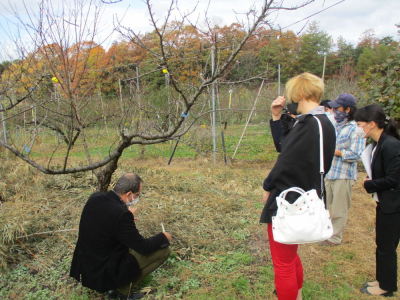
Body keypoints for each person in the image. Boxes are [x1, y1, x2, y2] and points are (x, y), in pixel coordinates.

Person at [260, 72, 336, 300]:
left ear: (300, 93)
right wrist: (276, 117)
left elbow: (285, 161)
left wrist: (267, 185)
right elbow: (285, 146)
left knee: (282, 261)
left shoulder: (308, 124)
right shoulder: (324, 123)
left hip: (288, 199)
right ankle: (298, 293)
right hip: (307, 194)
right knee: (290, 254)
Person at [70, 173, 172, 300]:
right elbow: (143, 247)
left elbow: (107, 219)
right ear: (129, 194)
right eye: (137, 195)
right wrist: (163, 237)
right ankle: (122, 292)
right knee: (164, 251)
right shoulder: (122, 214)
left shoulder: (95, 197)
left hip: (85, 268)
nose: (137, 198)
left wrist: (125, 212)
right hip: (103, 273)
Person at [354, 104, 400, 297]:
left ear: (371, 124)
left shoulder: (391, 145)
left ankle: (387, 287)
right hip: (385, 203)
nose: (358, 128)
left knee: (387, 247)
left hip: (394, 205)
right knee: (382, 244)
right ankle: (383, 279)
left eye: (360, 124)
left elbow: (395, 179)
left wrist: (370, 184)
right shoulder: (378, 144)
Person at [323, 94, 365, 245]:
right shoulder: (334, 124)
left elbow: (357, 154)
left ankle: (334, 238)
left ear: (348, 109)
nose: (334, 110)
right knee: (326, 206)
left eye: (337, 108)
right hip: (329, 172)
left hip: (343, 174)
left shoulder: (356, 128)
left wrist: (337, 152)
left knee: (339, 209)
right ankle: (326, 233)